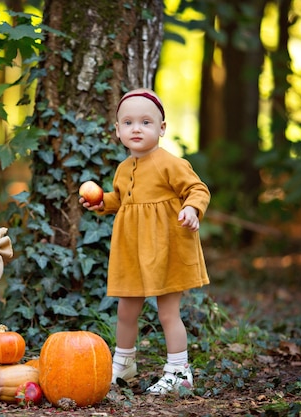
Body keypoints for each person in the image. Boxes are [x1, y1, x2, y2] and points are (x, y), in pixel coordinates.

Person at [80, 88, 210, 395]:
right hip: (132, 251)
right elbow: (124, 199)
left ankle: (179, 371)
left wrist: (192, 208)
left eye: (146, 122)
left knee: (168, 312)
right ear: (117, 130)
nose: (136, 128)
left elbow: (198, 189)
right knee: (126, 310)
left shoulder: (170, 163)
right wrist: (103, 203)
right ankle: (124, 364)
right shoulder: (124, 168)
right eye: (128, 122)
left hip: (167, 248)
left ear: (162, 128)